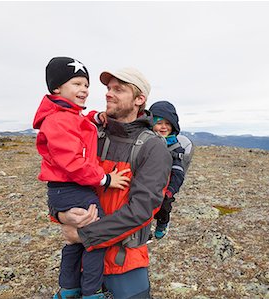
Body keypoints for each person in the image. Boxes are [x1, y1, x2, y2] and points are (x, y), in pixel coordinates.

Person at [58, 67, 172, 299]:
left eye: (118, 89)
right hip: (82, 260)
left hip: (123, 263)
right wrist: (61, 216)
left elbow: (142, 210)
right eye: (108, 89)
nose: (108, 94)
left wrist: (85, 235)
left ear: (139, 100)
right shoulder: (92, 133)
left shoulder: (153, 148)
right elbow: (61, 181)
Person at [33, 57, 131, 299]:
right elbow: (72, 163)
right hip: (73, 187)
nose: (84, 90)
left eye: (86, 85)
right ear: (56, 88)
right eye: (76, 83)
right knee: (94, 238)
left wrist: (95, 118)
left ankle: (68, 289)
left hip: (64, 189)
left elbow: (78, 123)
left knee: (75, 241)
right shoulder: (58, 120)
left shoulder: (65, 115)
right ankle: (92, 292)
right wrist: (105, 179)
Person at [149, 101, 185, 239]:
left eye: (168, 123)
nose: (164, 127)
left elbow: (178, 173)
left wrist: (170, 191)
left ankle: (163, 223)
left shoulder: (175, 148)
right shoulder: (145, 141)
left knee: (163, 207)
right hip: (147, 182)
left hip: (165, 186)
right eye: (159, 122)